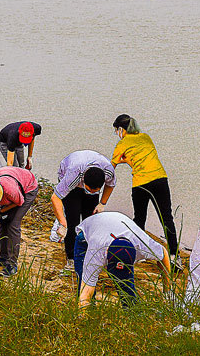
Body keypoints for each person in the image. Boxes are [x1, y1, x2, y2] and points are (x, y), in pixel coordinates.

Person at [111, 114, 180, 262]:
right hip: (160, 179)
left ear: (122, 129)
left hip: (141, 184)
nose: (117, 134)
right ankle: (174, 255)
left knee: (140, 219)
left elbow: (111, 167)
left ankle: (137, 253)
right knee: (166, 218)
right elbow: (144, 156)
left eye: (117, 130)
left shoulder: (122, 144)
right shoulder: (146, 137)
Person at [74, 212, 171, 309]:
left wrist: (167, 293)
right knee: (84, 278)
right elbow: (85, 292)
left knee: (125, 283)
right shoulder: (96, 252)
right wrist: (82, 315)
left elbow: (164, 254)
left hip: (116, 225)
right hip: (87, 236)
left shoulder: (143, 245)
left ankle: (131, 311)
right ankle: (91, 312)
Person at [49, 150, 116, 274]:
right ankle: (71, 259)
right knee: (72, 221)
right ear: (84, 182)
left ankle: (88, 255)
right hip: (71, 180)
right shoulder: (73, 175)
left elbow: (110, 185)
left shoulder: (108, 172)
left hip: (91, 174)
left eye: (95, 190)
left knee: (90, 222)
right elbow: (55, 197)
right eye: (89, 189)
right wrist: (63, 223)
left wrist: (102, 203)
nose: (89, 192)